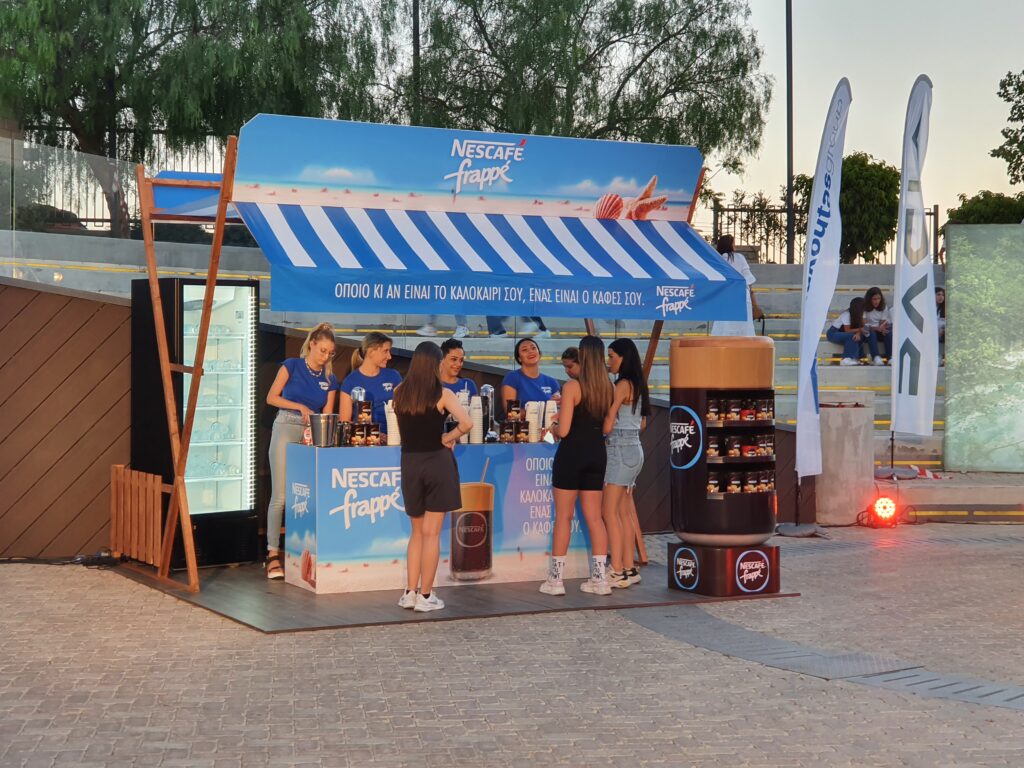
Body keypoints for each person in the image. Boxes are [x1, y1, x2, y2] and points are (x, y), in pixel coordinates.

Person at [394, 342, 473, 613]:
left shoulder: (399, 392)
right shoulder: (443, 393)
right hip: (437, 464)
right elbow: (467, 423)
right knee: (432, 533)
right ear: (436, 363)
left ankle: (410, 593)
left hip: (410, 463)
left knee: (417, 532)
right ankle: (426, 596)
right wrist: (448, 437)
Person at [263, 323, 338, 579]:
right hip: (286, 424)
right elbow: (271, 397)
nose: (325, 356)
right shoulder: (292, 365)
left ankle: (304, 551)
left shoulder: (329, 378)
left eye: (330, 353)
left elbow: (328, 414)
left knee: (307, 495)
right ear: (312, 344)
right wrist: (299, 407)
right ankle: (273, 553)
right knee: (281, 495)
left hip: (313, 432)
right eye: (322, 350)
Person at [542, 335, 614, 596]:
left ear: (582, 355)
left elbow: (564, 430)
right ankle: (600, 579)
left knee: (564, 516)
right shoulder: (608, 387)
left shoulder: (573, 386)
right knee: (595, 518)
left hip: (572, 453)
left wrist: (552, 427)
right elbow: (607, 428)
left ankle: (555, 581)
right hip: (597, 453)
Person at [601, 338, 650, 589]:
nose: (609, 361)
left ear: (623, 357)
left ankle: (617, 570)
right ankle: (629, 568)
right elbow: (642, 423)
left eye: (612, 356)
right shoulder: (638, 384)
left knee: (609, 512)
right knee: (623, 512)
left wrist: (602, 428)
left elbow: (609, 420)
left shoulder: (621, 385)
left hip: (619, 448)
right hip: (634, 448)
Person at [339, 332, 403, 431]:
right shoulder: (350, 382)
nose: (389, 356)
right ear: (371, 351)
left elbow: (403, 411)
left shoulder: (394, 376)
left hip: (393, 435)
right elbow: (345, 423)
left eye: (389, 351)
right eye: (385, 351)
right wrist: (374, 434)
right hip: (365, 437)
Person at [710, 234, 764, 336]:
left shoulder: (718, 259)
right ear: (731, 245)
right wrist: (755, 304)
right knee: (744, 330)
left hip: (724, 298)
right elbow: (749, 281)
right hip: (742, 297)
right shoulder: (739, 258)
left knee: (724, 328)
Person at [501, 338, 560, 411]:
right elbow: (512, 413)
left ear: (540, 354)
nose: (530, 351)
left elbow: (558, 411)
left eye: (533, 348)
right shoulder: (512, 378)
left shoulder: (552, 382)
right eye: (524, 350)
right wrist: (542, 408)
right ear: (519, 358)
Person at [827, 297, 879, 366]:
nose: (864, 309)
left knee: (870, 334)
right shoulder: (847, 314)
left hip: (848, 333)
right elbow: (847, 330)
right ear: (858, 308)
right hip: (833, 333)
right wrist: (859, 330)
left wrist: (858, 333)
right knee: (852, 337)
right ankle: (846, 359)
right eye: (863, 307)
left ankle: (873, 357)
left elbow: (864, 327)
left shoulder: (860, 314)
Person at [863, 287, 892, 364]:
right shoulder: (864, 307)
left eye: (879, 298)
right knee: (871, 333)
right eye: (874, 299)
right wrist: (877, 328)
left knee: (888, 332)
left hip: (879, 330)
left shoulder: (884, 306)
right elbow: (865, 325)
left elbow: (882, 323)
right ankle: (876, 357)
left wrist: (882, 328)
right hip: (868, 331)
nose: (877, 301)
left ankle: (890, 357)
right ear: (869, 299)